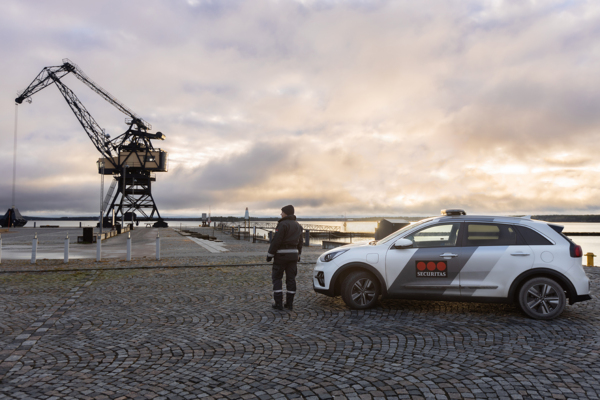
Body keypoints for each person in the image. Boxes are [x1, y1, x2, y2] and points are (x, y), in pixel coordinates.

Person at [267, 205, 303, 311]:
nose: (280, 214)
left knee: (277, 278)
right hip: (293, 256)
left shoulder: (282, 224)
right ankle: (289, 303)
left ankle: (278, 303)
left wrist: (270, 255)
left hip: (281, 256)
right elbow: (300, 242)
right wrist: (298, 255)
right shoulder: (298, 226)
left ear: (286, 213)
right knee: (291, 279)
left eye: (282, 212)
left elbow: (276, 241)